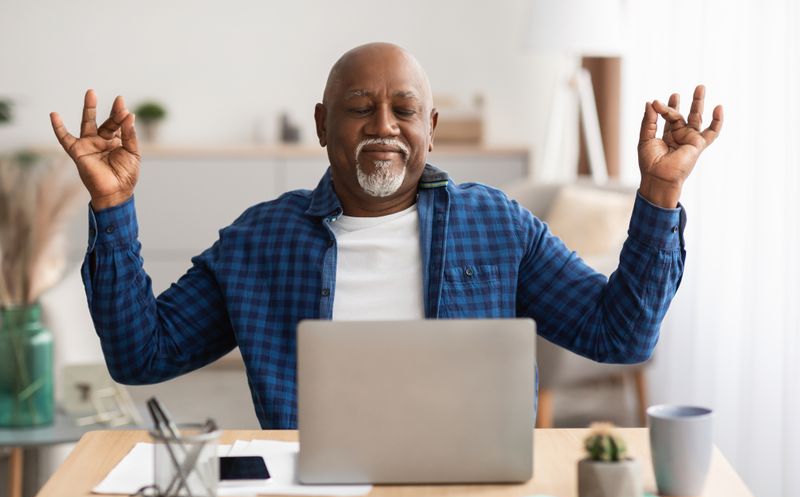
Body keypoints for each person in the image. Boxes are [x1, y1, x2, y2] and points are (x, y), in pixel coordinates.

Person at [50, 43, 723, 429]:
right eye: (358, 108)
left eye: (403, 109)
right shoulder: (261, 241)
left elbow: (622, 334)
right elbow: (141, 357)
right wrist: (113, 206)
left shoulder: (497, 224)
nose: (383, 124)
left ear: (430, 127)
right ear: (321, 124)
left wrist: (660, 194)